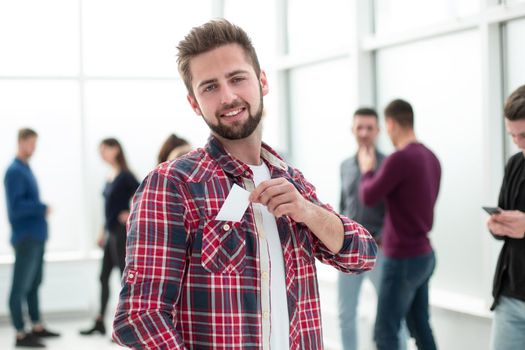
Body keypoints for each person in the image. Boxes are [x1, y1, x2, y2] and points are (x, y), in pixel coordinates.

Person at [112, 19, 377, 349]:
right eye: (209, 87)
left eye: (237, 78)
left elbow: (362, 255)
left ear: (262, 81)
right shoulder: (173, 185)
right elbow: (139, 317)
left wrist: (308, 212)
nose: (228, 96)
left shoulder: (292, 182)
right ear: (194, 103)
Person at [358, 99, 441, 350]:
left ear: (391, 123)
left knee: (385, 331)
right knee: (420, 325)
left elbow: (369, 196)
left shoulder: (399, 159)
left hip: (403, 257)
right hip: (424, 255)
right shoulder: (431, 158)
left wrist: (367, 170)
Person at [338, 108, 407, 350]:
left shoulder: (389, 164)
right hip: (348, 251)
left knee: (391, 314)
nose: (365, 133)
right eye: (360, 128)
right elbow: (343, 207)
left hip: (380, 251)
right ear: (353, 130)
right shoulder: (345, 165)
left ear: (378, 131)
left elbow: (397, 210)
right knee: (346, 315)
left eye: (370, 128)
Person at [4, 128, 60, 348]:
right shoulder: (15, 171)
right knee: (20, 286)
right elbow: (16, 208)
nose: (34, 148)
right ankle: (20, 332)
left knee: (35, 283)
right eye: (32, 144)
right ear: (21, 142)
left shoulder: (26, 169)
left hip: (36, 236)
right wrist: (42, 207)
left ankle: (36, 325)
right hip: (26, 237)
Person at [80, 138, 139, 337]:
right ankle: (99, 321)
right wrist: (101, 233)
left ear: (116, 150)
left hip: (121, 234)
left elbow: (143, 195)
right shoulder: (110, 175)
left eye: (105, 149)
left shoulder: (126, 176)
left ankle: (127, 324)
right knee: (103, 276)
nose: (102, 154)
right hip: (110, 233)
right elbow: (107, 209)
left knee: (124, 277)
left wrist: (130, 213)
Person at [487, 84, 525, 350]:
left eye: (523, 135)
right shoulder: (514, 164)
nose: (519, 143)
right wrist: (496, 225)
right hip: (510, 295)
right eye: (512, 135)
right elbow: (503, 212)